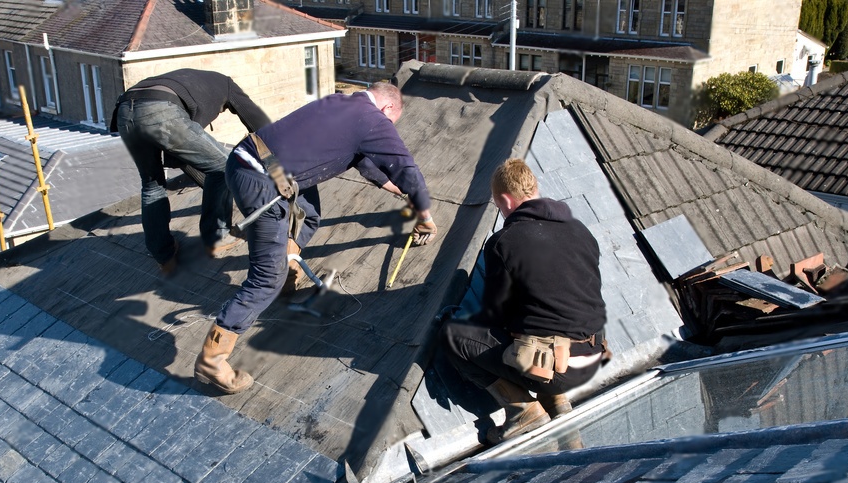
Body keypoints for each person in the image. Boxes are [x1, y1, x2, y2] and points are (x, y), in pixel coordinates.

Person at [194, 81, 436, 393]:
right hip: (261, 181)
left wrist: (395, 190)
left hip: (254, 159)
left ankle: (287, 270)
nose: (386, 127)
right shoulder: (373, 119)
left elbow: (362, 159)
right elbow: (407, 169)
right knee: (265, 278)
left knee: (309, 213)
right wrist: (424, 217)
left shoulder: (342, 103)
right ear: (388, 108)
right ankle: (212, 359)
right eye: (389, 122)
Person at [440, 158, 608, 444]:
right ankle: (556, 402)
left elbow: (494, 313)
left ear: (505, 200)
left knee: (453, 335)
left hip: (554, 369)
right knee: (550, 320)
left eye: (497, 205)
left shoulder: (504, 242)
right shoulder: (581, 231)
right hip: (592, 357)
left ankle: (521, 411)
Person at [111, 69, 271, 274]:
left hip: (126, 111)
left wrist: (213, 185)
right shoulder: (227, 85)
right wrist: (277, 158)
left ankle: (164, 255)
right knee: (225, 166)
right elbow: (257, 121)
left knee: (152, 184)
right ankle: (217, 237)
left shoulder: (194, 83)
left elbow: (183, 157)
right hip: (160, 108)